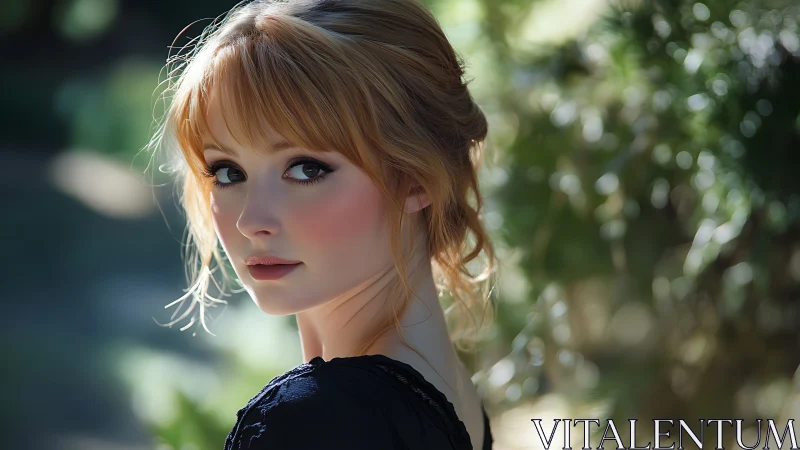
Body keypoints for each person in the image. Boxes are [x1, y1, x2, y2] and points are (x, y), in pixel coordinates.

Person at [148, 0, 498, 448]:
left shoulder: (314, 422)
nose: (251, 221)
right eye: (228, 172)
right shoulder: (451, 398)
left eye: (305, 169)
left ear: (417, 178)